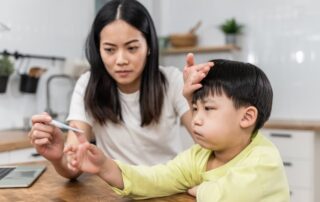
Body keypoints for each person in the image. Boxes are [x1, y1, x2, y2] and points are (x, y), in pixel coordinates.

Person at [28, 0, 213, 179]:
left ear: (148, 46)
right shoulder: (87, 85)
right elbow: (74, 165)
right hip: (115, 190)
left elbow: (209, 145)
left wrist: (194, 98)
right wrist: (58, 159)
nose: (121, 60)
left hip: (167, 186)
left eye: (132, 48)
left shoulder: (172, 81)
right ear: (98, 50)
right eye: (110, 50)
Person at [63, 59, 290, 201]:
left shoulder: (264, 160)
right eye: (194, 108)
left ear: (247, 117)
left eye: (208, 108)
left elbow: (227, 196)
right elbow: (157, 178)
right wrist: (105, 167)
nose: (196, 120)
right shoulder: (199, 156)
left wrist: (200, 190)